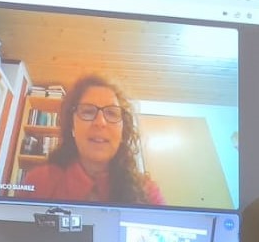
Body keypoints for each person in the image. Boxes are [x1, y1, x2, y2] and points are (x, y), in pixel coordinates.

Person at [19, 74, 165, 205]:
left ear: (123, 131)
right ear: (72, 127)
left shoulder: (148, 193)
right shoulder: (38, 182)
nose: (100, 122)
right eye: (88, 112)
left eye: (112, 113)